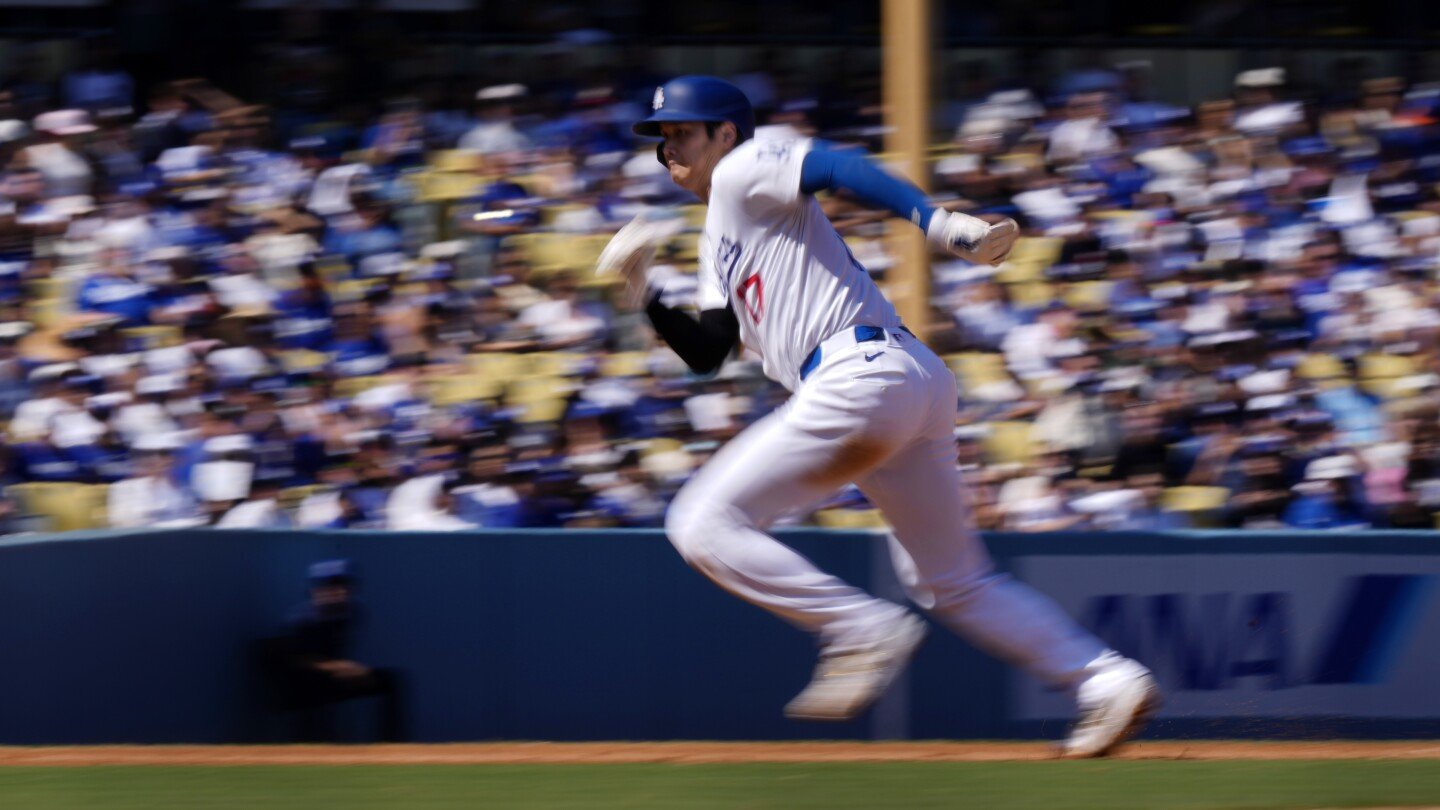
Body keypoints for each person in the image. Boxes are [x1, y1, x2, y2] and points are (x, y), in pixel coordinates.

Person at [603, 75, 1158, 757]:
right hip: (903, 380)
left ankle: (857, 629)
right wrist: (647, 295)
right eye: (663, 140)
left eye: (683, 132)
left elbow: (838, 167)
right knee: (952, 581)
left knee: (700, 522)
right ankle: (1107, 681)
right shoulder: (721, 228)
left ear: (725, 134)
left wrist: (936, 220)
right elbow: (710, 353)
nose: (670, 151)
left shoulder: (745, 165)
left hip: (854, 377)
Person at [263, 560, 404, 742]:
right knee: (310, 684)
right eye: (330, 586)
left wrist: (349, 670)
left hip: (334, 679)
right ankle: (314, 744)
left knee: (390, 680)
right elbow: (294, 660)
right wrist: (335, 667)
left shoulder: (351, 612)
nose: (338, 591)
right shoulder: (302, 619)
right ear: (315, 591)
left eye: (342, 585)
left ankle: (394, 746)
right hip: (301, 685)